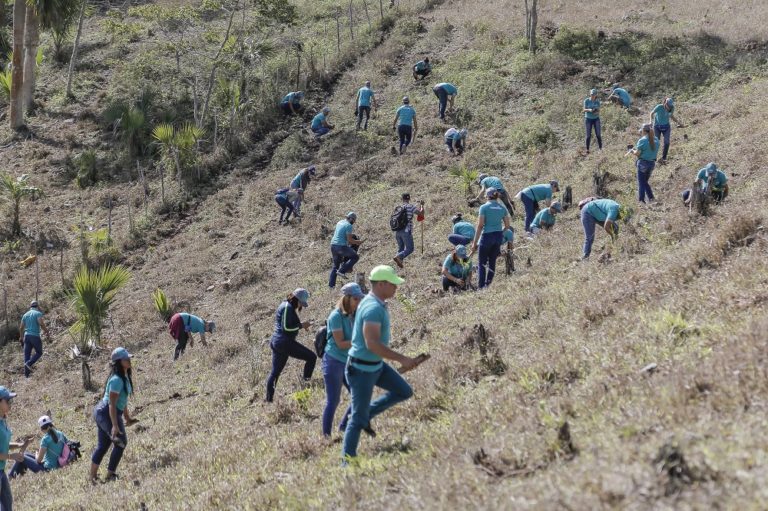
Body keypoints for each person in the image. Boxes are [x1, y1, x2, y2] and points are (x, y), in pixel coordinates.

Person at [342, 266, 418, 464]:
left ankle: (367, 413)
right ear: (382, 284)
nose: (396, 287)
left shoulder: (376, 302)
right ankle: (346, 463)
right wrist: (402, 359)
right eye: (393, 284)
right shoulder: (372, 308)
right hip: (361, 369)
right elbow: (372, 344)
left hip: (375, 365)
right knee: (356, 419)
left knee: (404, 391)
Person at [322, 283, 365, 438]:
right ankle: (326, 436)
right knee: (333, 401)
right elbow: (340, 344)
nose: (358, 302)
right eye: (355, 299)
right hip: (333, 362)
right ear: (346, 299)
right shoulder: (335, 316)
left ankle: (343, 428)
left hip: (348, 361)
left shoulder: (353, 315)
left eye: (360, 299)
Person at [91, 348, 137, 483]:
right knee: (120, 442)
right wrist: (115, 426)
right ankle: (109, 474)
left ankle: (94, 477)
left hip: (109, 412)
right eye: (126, 359)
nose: (129, 361)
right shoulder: (117, 380)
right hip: (106, 412)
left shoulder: (125, 376)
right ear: (119, 362)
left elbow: (122, 401)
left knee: (103, 446)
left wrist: (127, 418)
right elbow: (111, 404)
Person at [265, 289, 316, 402]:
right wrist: (302, 325)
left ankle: (269, 400)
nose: (300, 306)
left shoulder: (286, 305)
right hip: (283, 342)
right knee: (312, 357)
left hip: (279, 342)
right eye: (300, 303)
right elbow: (286, 328)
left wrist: (301, 325)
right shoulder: (287, 307)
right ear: (296, 299)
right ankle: (306, 384)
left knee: (275, 372)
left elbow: (289, 324)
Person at [469, 188, 511, 289]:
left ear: (487, 196)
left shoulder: (484, 207)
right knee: (492, 262)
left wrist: (474, 243)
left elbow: (480, 226)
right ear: (496, 196)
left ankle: (481, 287)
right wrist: (500, 233)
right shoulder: (502, 208)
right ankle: (488, 285)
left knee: (481, 263)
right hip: (498, 237)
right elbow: (507, 226)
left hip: (487, 236)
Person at [0, 386, 27, 509]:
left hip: (1, 471)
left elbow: (3, 445)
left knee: (7, 503)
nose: (11, 403)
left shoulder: (3, 420)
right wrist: (11, 456)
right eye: (8, 400)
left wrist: (19, 445)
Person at [329, 212, 363, 288]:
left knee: (335, 266)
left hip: (333, 245)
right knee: (355, 257)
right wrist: (358, 242)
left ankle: (331, 286)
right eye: (353, 221)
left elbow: (342, 235)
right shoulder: (348, 225)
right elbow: (350, 240)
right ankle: (342, 271)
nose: (353, 223)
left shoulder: (340, 222)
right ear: (351, 219)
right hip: (340, 246)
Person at [391, 193, 425, 269]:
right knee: (410, 248)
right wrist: (422, 206)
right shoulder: (411, 206)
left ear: (402, 199)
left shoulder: (398, 207)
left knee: (401, 248)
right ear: (409, 199)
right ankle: (398, 256)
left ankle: (398, 266)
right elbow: (421, 214)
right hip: (406, 230)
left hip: (397, 231)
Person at [629, 123, 660, 204]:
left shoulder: (642, 140)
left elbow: (637, 153)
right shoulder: (656, 140)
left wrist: (632, 151)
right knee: (644, 182)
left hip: (643, 163)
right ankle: (651, 197)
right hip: (652, 164)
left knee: (641, 183)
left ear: (643, 131)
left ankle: (641, 200)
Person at [19, 300, 50, 377]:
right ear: (37, 306)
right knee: (39, 352)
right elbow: (41, 323)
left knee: (27, 355)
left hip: (26, 337)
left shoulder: (25, 315)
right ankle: (29, 363)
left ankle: (27, 375)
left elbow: (21, 328)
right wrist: (46, 331)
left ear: (30, 306)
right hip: (35, 336)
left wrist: (21, 337)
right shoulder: (38, 313)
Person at [650, 97, 684, 164]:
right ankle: (653, 158)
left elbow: (671, 116)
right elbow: (651, 113)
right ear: (665, 103)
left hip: (666, 127)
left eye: (670, 106)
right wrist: (650, 121)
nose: (669, 107)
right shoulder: (659, 107)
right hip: (657, 127)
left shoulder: (672, 108)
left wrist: (679, 123)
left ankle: (663, 158)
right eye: (668, 106)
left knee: (667, 142)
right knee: (656, 142)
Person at [583, 88, 602, 154]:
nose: (592, 96)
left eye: (594, 94)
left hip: (596, 119)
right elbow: (584, 110)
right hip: (588, 119)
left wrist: (596, 112)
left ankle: (600, 149)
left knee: (598, 134)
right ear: (590, 94)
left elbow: (599, 110)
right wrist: (590, 110)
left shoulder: (597, 101)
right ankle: (587, 149)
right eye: (591, 94)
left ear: (596, 95)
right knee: (588, 135)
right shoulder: (586, 100)